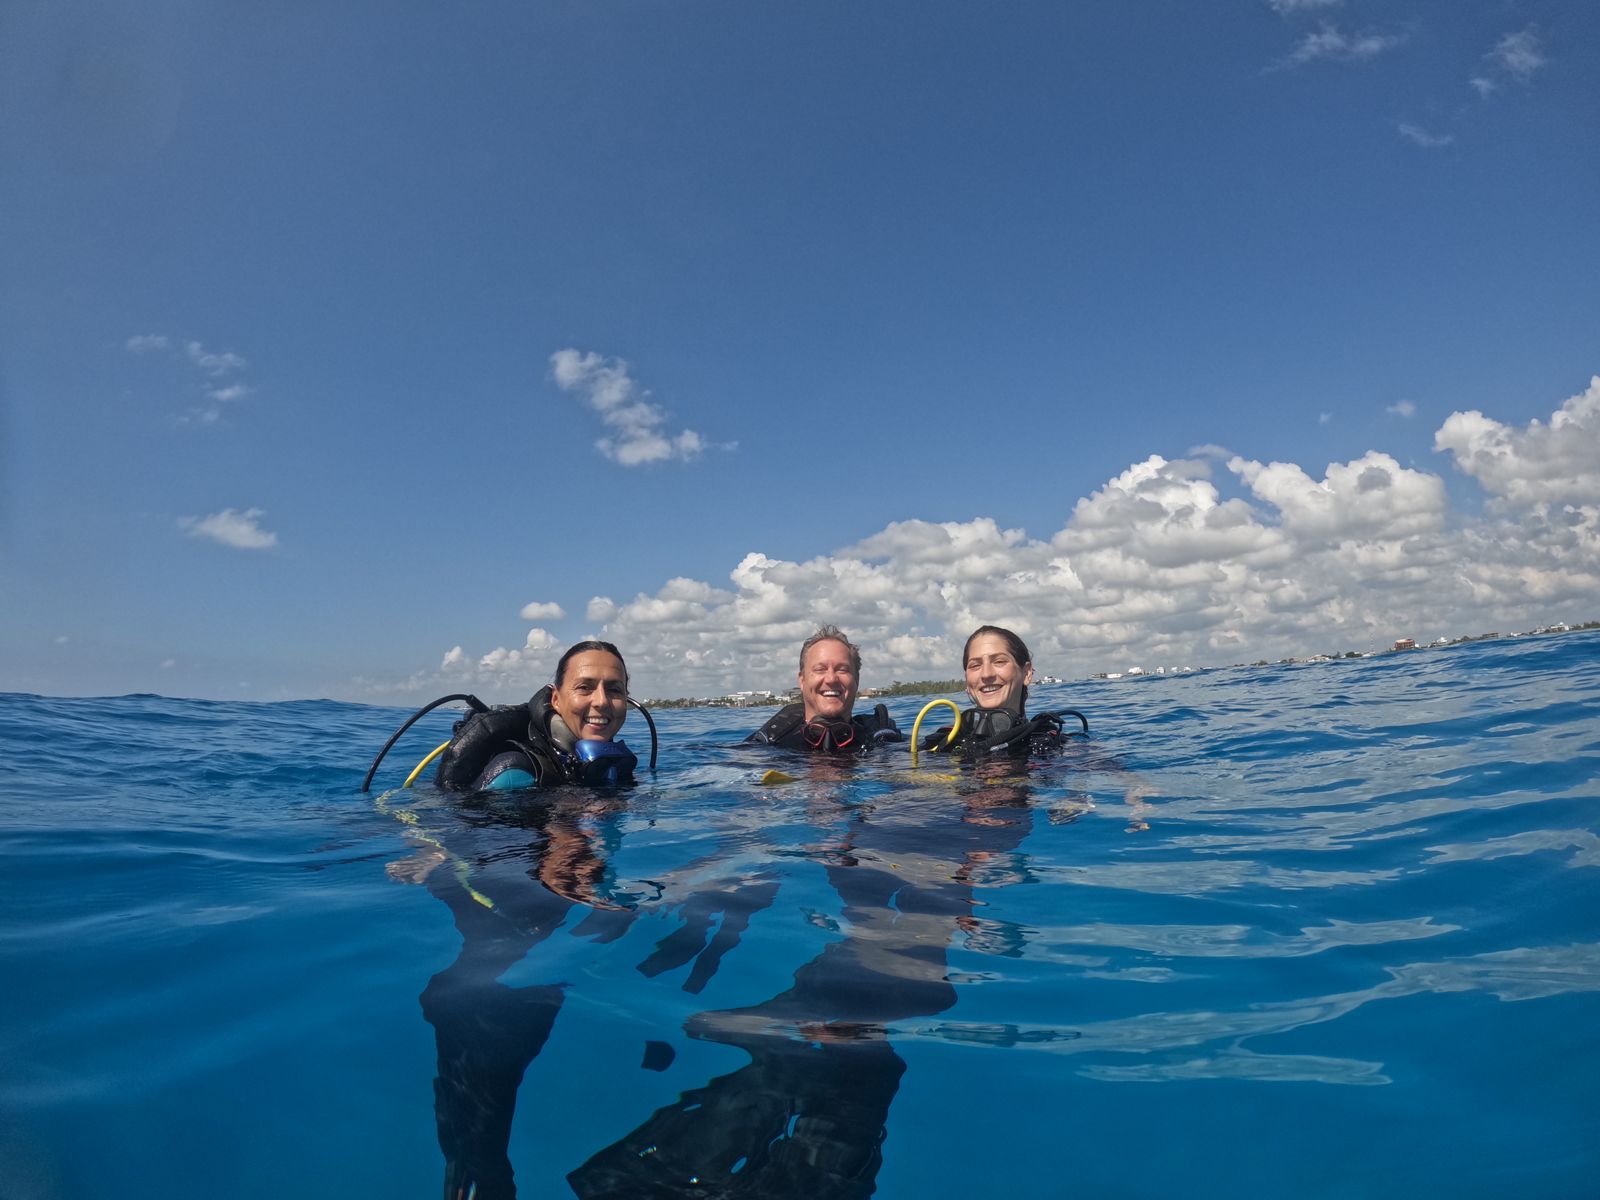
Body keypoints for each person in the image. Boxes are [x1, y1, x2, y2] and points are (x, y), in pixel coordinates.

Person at [434, 640, 640, 789]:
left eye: (614, 690)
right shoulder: (515, 772)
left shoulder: (615, 765)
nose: (602, 701)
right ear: (556, 700)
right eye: (584, 687)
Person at [919, 625, 1086, 755]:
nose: (986, 674)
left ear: (1027, 673)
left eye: (999, 661)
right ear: (967, 681)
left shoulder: (1056, 747)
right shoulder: (941, 744)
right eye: (975, 665)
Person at [745, 625, 901, 750]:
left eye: (842, 669)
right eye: (820, 669)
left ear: (857, 679)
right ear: (802, 680)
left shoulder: (882, 743)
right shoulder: (765, 748)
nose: (831, 679)